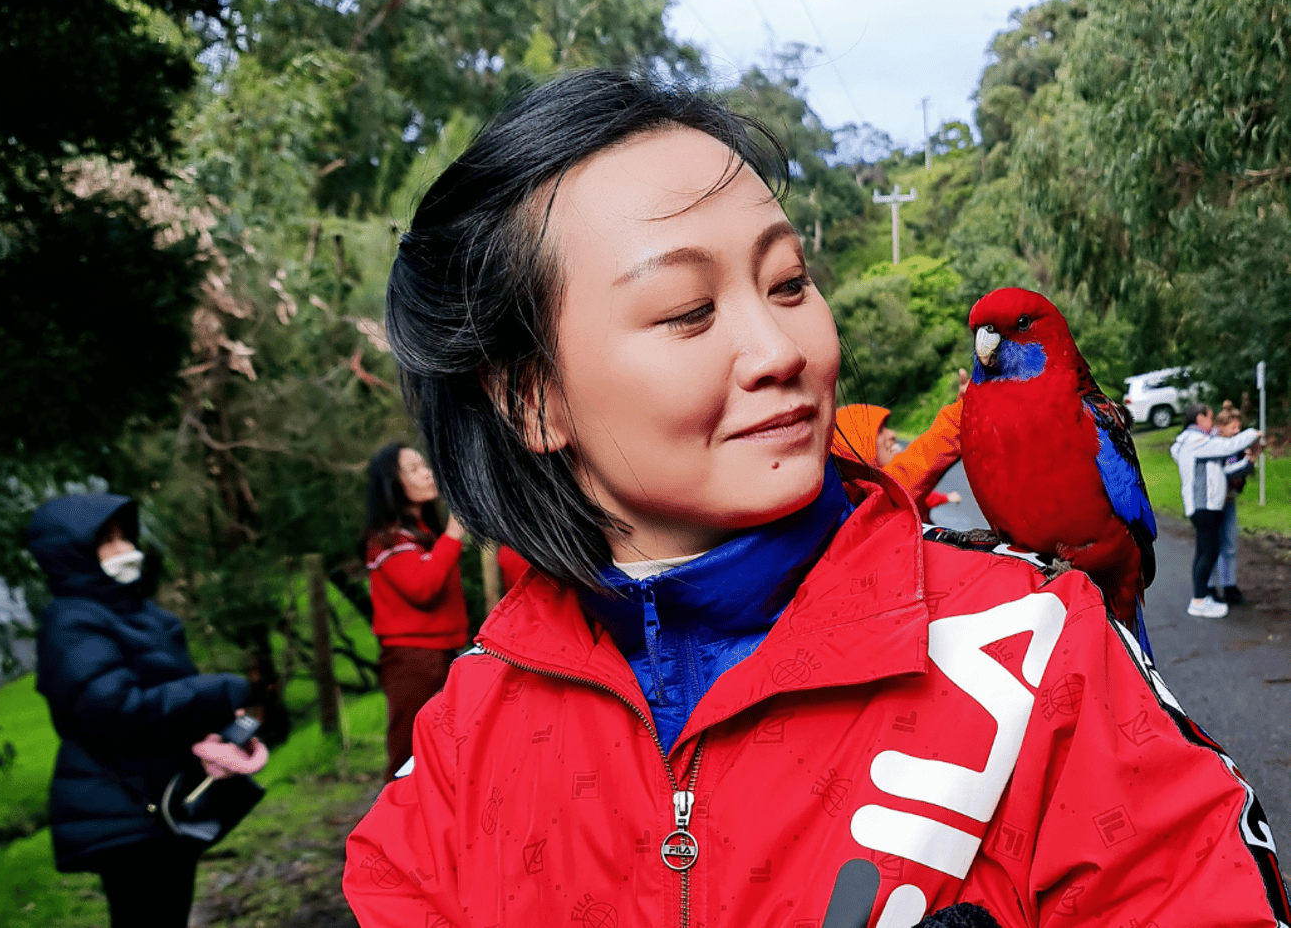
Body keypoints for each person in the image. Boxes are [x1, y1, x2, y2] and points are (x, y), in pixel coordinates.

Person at [343, 71, 1288, 928]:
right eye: (688, 311)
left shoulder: (1044, 654)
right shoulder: (467, 734)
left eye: (789, 282)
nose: (782, 350)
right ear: (531, 397)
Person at [30, 493, 267, 928]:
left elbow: (162, 696)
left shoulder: (132, 613)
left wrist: (216, 726)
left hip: (158, 800)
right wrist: (217, 692)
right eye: (106, 541)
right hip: (123, 806)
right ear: (72, 552)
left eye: (124, 536)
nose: (125, 550)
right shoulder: (73, 622)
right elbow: (114, 709)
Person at [362, 443, 469, 780]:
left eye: (425, 464)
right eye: (414, 469)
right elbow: (423, 588)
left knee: (448, 750)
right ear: (393, 484)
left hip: (443, 654)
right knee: (409, 757)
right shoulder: (387, 542)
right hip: (411, 661)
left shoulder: (423, 535)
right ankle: (392, 828)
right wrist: (453, 535)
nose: (427, 472)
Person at [832, 369, 969, 521]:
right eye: (879, 431)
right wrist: (961, 413)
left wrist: (945, 498)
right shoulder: (877, 499)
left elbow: (922, 494)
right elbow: (918, 464)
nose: (892, 434)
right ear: (856, 447)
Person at [1170, 402, 1263, 619]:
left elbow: (1222, 471)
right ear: (1200, 418)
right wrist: (1253, 432)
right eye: (1210, 418)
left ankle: (1202, 598)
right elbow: (1228, 447)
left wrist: (1250, 460)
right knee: (1209, 552)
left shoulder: (1195, 443)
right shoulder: (1195, 440)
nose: (1213, 424)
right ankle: (1199, 600)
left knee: (1205, 551)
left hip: (1206, 505)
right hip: (1203, 505)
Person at [1208, 402, 1257, 604]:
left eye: (1239, 428)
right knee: (1211, 545)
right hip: (1211, 503)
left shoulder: (1236, 447)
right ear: (1221, 427)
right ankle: (1209, 586)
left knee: (1230, 544)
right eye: (1233, 428)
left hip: (1229, 501)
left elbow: (1240, 474)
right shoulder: (1211, 445)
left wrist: (1249, 463)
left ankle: (1229, 585)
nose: (1237, 432)